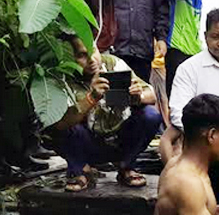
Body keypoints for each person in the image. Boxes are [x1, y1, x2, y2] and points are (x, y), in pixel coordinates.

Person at [45, 36, 161, 192]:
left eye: (93, 51)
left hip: (119, 138)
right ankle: (80, 169)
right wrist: (91, 98)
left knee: (150, 115)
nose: (92, 60)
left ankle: (126, 166)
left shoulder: (113, 64)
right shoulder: (62, 75)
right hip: (86, 142)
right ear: (70, 58)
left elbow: (152, 95)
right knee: (54, 127)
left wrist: (137, 97)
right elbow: (58, 123)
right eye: (82, 55)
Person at [160, 9, 219, 204]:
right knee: (204, 212)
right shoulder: (189, 68)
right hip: (205, 156)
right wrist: (211, 138)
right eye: (215, 37)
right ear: (205, 35)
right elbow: (179, 114)